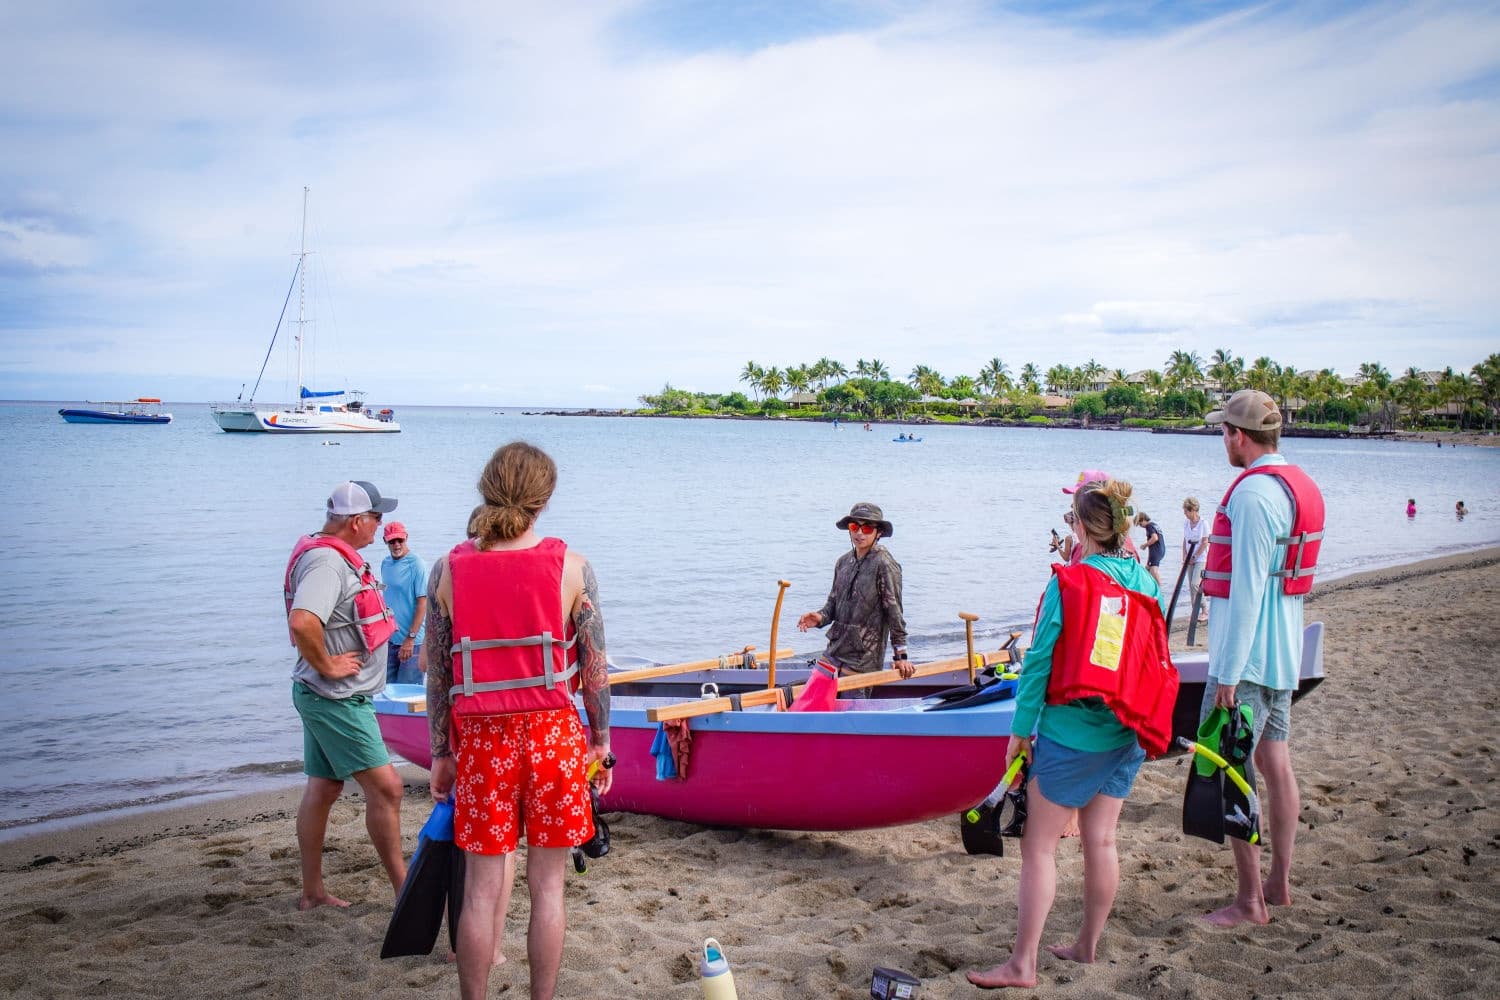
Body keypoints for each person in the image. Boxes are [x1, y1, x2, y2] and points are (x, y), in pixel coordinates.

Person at [966, 477, 1169, 990]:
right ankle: (1087, 945)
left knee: (1039, 848)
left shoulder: (1068, 582)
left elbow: (1037, 664)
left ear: (1080, 527)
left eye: (1070, 521)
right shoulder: (1146, 582)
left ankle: (1022, 964)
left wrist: (1019, 730)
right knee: (1101, 839)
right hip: (1125, 732)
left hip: (1072, 734)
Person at [426, 442, 611, 1000]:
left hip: (483, 741)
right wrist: (600, 744)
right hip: (553, 737)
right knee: (548, 888)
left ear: (486, 488)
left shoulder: (446, 571)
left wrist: (440, 751)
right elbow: (596, 671)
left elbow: (437, 675)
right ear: (545, 499)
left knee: (483, 892)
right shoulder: (574, 568)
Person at [1199, 389, 1325, 928]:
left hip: (1246, 662)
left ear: (1239, 436)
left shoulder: (1253, 496)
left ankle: (1250, 901)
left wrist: (1227, 673)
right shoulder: (1300, 485)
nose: (1222, 440)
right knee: (1276, 763)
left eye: (1223, 431)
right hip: (1283, 654)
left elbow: (1247, 588)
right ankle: (1278, 884)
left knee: (1233, 771)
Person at [283, 480, 408, 910]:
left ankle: (313, 892)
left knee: (324, 786)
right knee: (388, 788)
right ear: (357, 522)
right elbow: (303, 622)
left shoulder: (329, 556)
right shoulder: (326, 564)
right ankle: (404, 892)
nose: (380, 526)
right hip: (334, 696)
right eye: (376, 517)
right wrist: (327, 664)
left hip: (323, 693)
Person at [796, 502, 914, 681]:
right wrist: (819, 618)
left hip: (863, 659)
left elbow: (894, 613)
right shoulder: (843, 562)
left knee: (852, 706)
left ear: (878, 533)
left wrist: (901, 656)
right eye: (854, 527)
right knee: (815, 700)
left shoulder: (884, 564)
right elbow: (833, 605)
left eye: (866, 528)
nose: (859, 533)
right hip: (834, 651)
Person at [380, 521, 428, 685]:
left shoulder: (417, 564)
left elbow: (423, 603)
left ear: (406, 538)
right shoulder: (385, 563)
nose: (396, 544)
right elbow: (388, 598)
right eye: (392, 541)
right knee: (385, 691)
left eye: (400, 540)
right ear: (385, 541)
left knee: (408, 695)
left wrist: (410, 639)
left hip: (412, 643)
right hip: (390, 640)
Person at [1182, 497, 1209, 623]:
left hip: (1200, 558)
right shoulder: (1186, 523)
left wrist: (1194, 557)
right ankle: (1194, 611)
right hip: (1189, 558)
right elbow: (1184, 540)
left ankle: (1204, 609)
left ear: (1193, 510)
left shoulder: (1203, 523)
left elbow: (1205, 542)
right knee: (1190, 585)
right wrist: (1185, 555)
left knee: (1195, 584)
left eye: (1186, 511)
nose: (1184, 513)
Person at [1133, 511, 1165, 587]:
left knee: (1153, 571)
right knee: (1147, 570)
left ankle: (1160, 590)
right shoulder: (1154, 525)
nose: (1141, 526)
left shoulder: (1149, 526)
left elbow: (1155, 538)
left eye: (1140, 524)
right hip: (1160, 550)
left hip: (1156, 551)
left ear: (1143, 519)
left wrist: (1145, 545)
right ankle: (1148, 589)